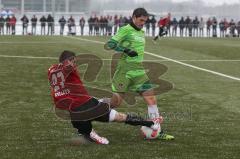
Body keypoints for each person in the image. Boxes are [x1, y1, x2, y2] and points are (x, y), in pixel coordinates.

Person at [48, 50, 160, 145]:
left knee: (81, 123)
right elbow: (68, 67)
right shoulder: (69, 68)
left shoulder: (51, 70)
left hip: (74, 113)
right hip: (88, 105)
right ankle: (150, 124)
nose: (75, 64)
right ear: (69, 60)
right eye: (74, 61)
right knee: (120, 117)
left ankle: (89, 133)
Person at [104, 8, 174, 140]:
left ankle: (157, 130)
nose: (143, 23)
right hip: (124, 71)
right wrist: (125, 50)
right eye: (141, 20)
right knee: (115, 103)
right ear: (134, 17)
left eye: (145, 21)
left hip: (139, 71)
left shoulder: (142, 31)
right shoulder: (125, 29)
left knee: (151, 99)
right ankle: (93, 106)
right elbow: (110, 44)